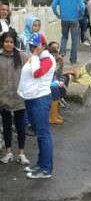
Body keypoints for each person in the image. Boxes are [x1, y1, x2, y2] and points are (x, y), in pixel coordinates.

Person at [18, 33, 56, 179]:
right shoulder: (37, 58)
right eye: (31, 46)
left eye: (35, 46)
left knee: (42, 134)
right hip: (31, 99)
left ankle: (45, 169)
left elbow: (37, 73)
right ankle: (41, 164)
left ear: (42, 46)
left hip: (40, 99)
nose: (32, 48)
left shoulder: (46, 59)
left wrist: (34, 55)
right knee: (39, 134)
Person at [0, 32, 29, 165]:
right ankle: (8, 152)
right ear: (2, 42)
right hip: (3, 99)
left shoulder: (22, 56)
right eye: (6, 42)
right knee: (6, 127)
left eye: (11, 42)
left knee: (21, 126)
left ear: (14, 43)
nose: (9, 44)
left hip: (19, 98)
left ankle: (21, 154)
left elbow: (31, 72)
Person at [50, 0, 85, 64]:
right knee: (74, 39)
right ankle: (73, 59)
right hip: (74, 19)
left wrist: (58, 15)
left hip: (64, 18)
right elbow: (82, 6)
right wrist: (81, 14)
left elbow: (53, 6)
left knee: (64, 37)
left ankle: (61, 55)